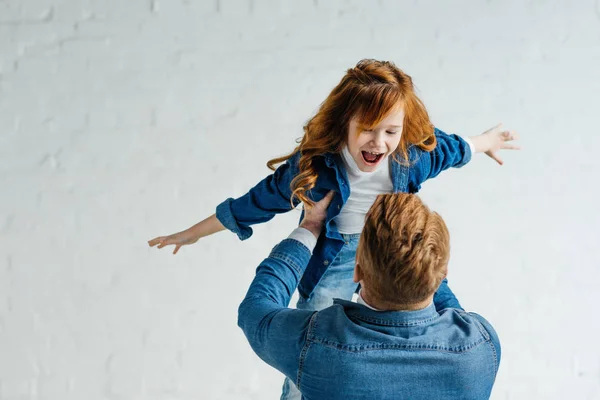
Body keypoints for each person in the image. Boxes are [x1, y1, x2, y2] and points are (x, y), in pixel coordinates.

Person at [148, 59, 517, 398]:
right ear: (345, 124)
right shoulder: (315, 169)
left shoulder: (411, 156)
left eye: (391, 131)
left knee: (422, 314)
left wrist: (487, 142)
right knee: (310, 346)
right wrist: (193, 232)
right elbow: (256, 201)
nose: (379, 143)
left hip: (397, 250)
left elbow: (454, 148)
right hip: (336, 256)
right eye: (368, 130)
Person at [238, 191, 500, 400]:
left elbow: (256, 309)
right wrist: (423, 262)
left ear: (357, 270)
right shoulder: (480, 346)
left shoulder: (317, 345)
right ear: (443, 272)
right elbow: (450, 305)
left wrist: (309, 227)